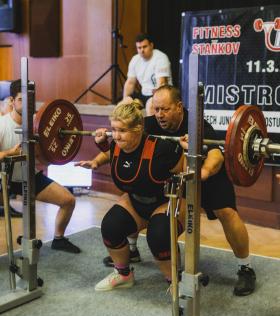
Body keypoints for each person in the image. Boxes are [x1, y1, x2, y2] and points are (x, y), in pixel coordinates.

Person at [96, 85, 256, 296]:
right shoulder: (147, 124)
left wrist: (204, 173)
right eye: (156, 109)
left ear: (179, 107)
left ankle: (245, 268)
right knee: (136, 193)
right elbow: (124, 143)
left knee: (226, 212)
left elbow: (216, 154)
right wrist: (98, 157)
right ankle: (131, 252)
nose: (159, 115)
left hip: (204, 173)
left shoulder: (197, 126)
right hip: (174, 177)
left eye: (165, 109)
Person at [76, 99, 185, 291]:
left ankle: (175, 282)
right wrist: (95, 162)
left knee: (158, 236)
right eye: (114, 129)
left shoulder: (161, 149)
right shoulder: (116, 146)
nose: (116, 136)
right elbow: (111, 153)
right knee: (110, 226)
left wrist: (188, 150)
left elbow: (185, 169)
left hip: (165, 200)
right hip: (136, 201)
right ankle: (124, 274)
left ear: (138, 129)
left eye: (122, 130)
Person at [0, 79, 81, 254]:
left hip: (28, 174)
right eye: (21, 99)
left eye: (30, 100)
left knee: (68, 200)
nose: (27, 104)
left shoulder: (38, 126)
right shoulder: (2, 125)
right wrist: (8, 153)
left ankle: (58, 239)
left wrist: (42, 153)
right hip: (4, 177)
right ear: (12, 101)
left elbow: (46, 161)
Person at [123, 33, 172, 115]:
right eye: (139, 48)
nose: (142, 50)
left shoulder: (161, 58)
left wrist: (155, 99)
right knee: (127, 103)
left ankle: (151, 128)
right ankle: (131, 128)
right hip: (144, 94)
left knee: (150, 104)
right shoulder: (135, 60)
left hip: (161, 94)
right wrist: (124, 100)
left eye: (144, 47)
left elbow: (162, 83)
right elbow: (130, 83)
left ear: (151, 45)